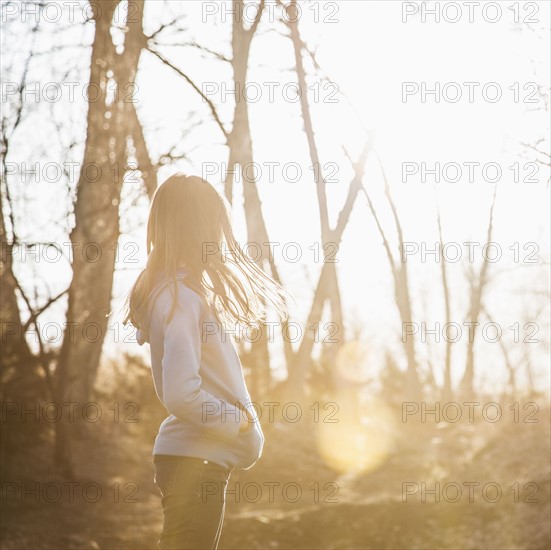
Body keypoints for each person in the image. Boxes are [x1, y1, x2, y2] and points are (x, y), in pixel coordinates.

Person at [124, 174, 287, 549]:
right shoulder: (181, 299)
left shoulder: (180, 294)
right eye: (215, 224)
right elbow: (182, 393)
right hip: (194, 463)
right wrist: (240, 423)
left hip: (196, 462)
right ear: (200, 228)